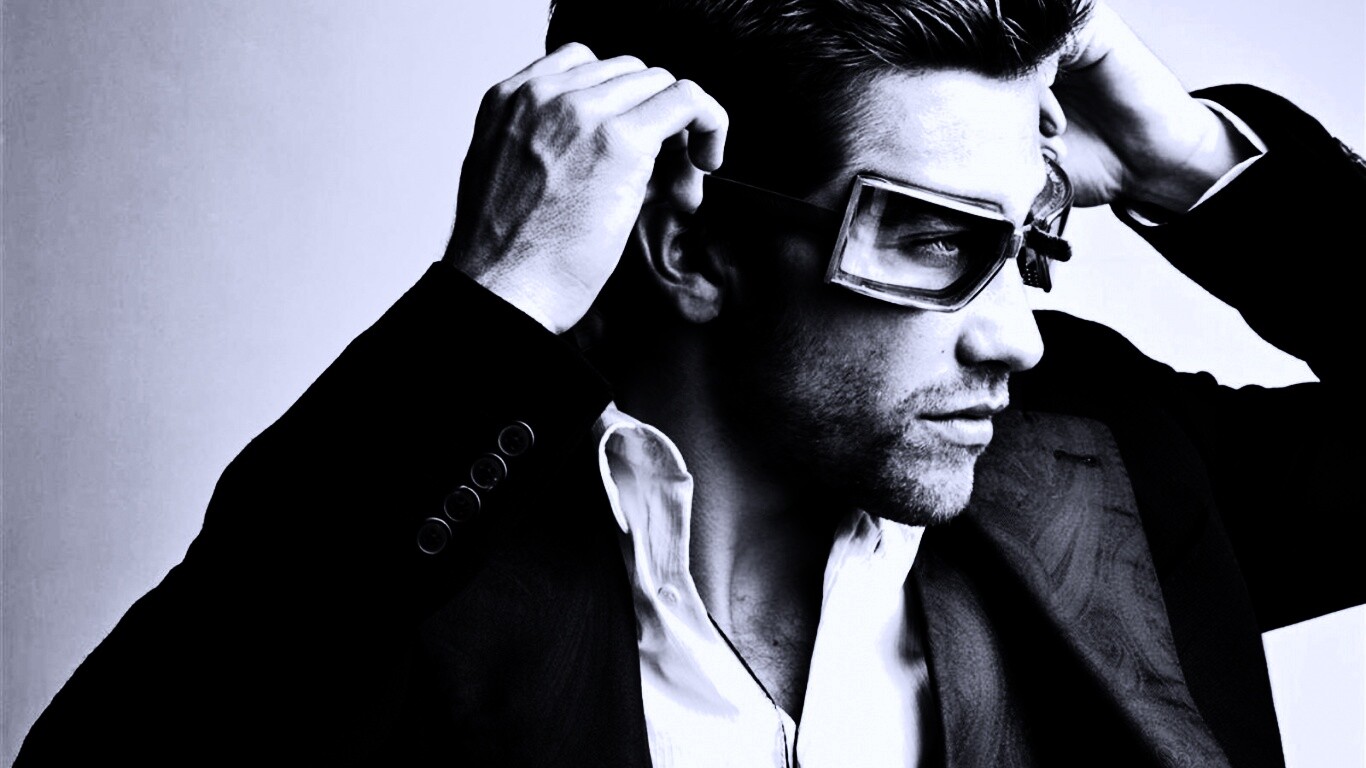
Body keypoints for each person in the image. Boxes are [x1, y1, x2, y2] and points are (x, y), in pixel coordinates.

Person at [15, 0, 1364, 765]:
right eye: (933, 241)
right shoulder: (399, 576)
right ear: (685, 239)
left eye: (1029, 244)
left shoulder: (1107, 470)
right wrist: (491, 313)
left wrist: (1204, 168)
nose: (1015, 335)